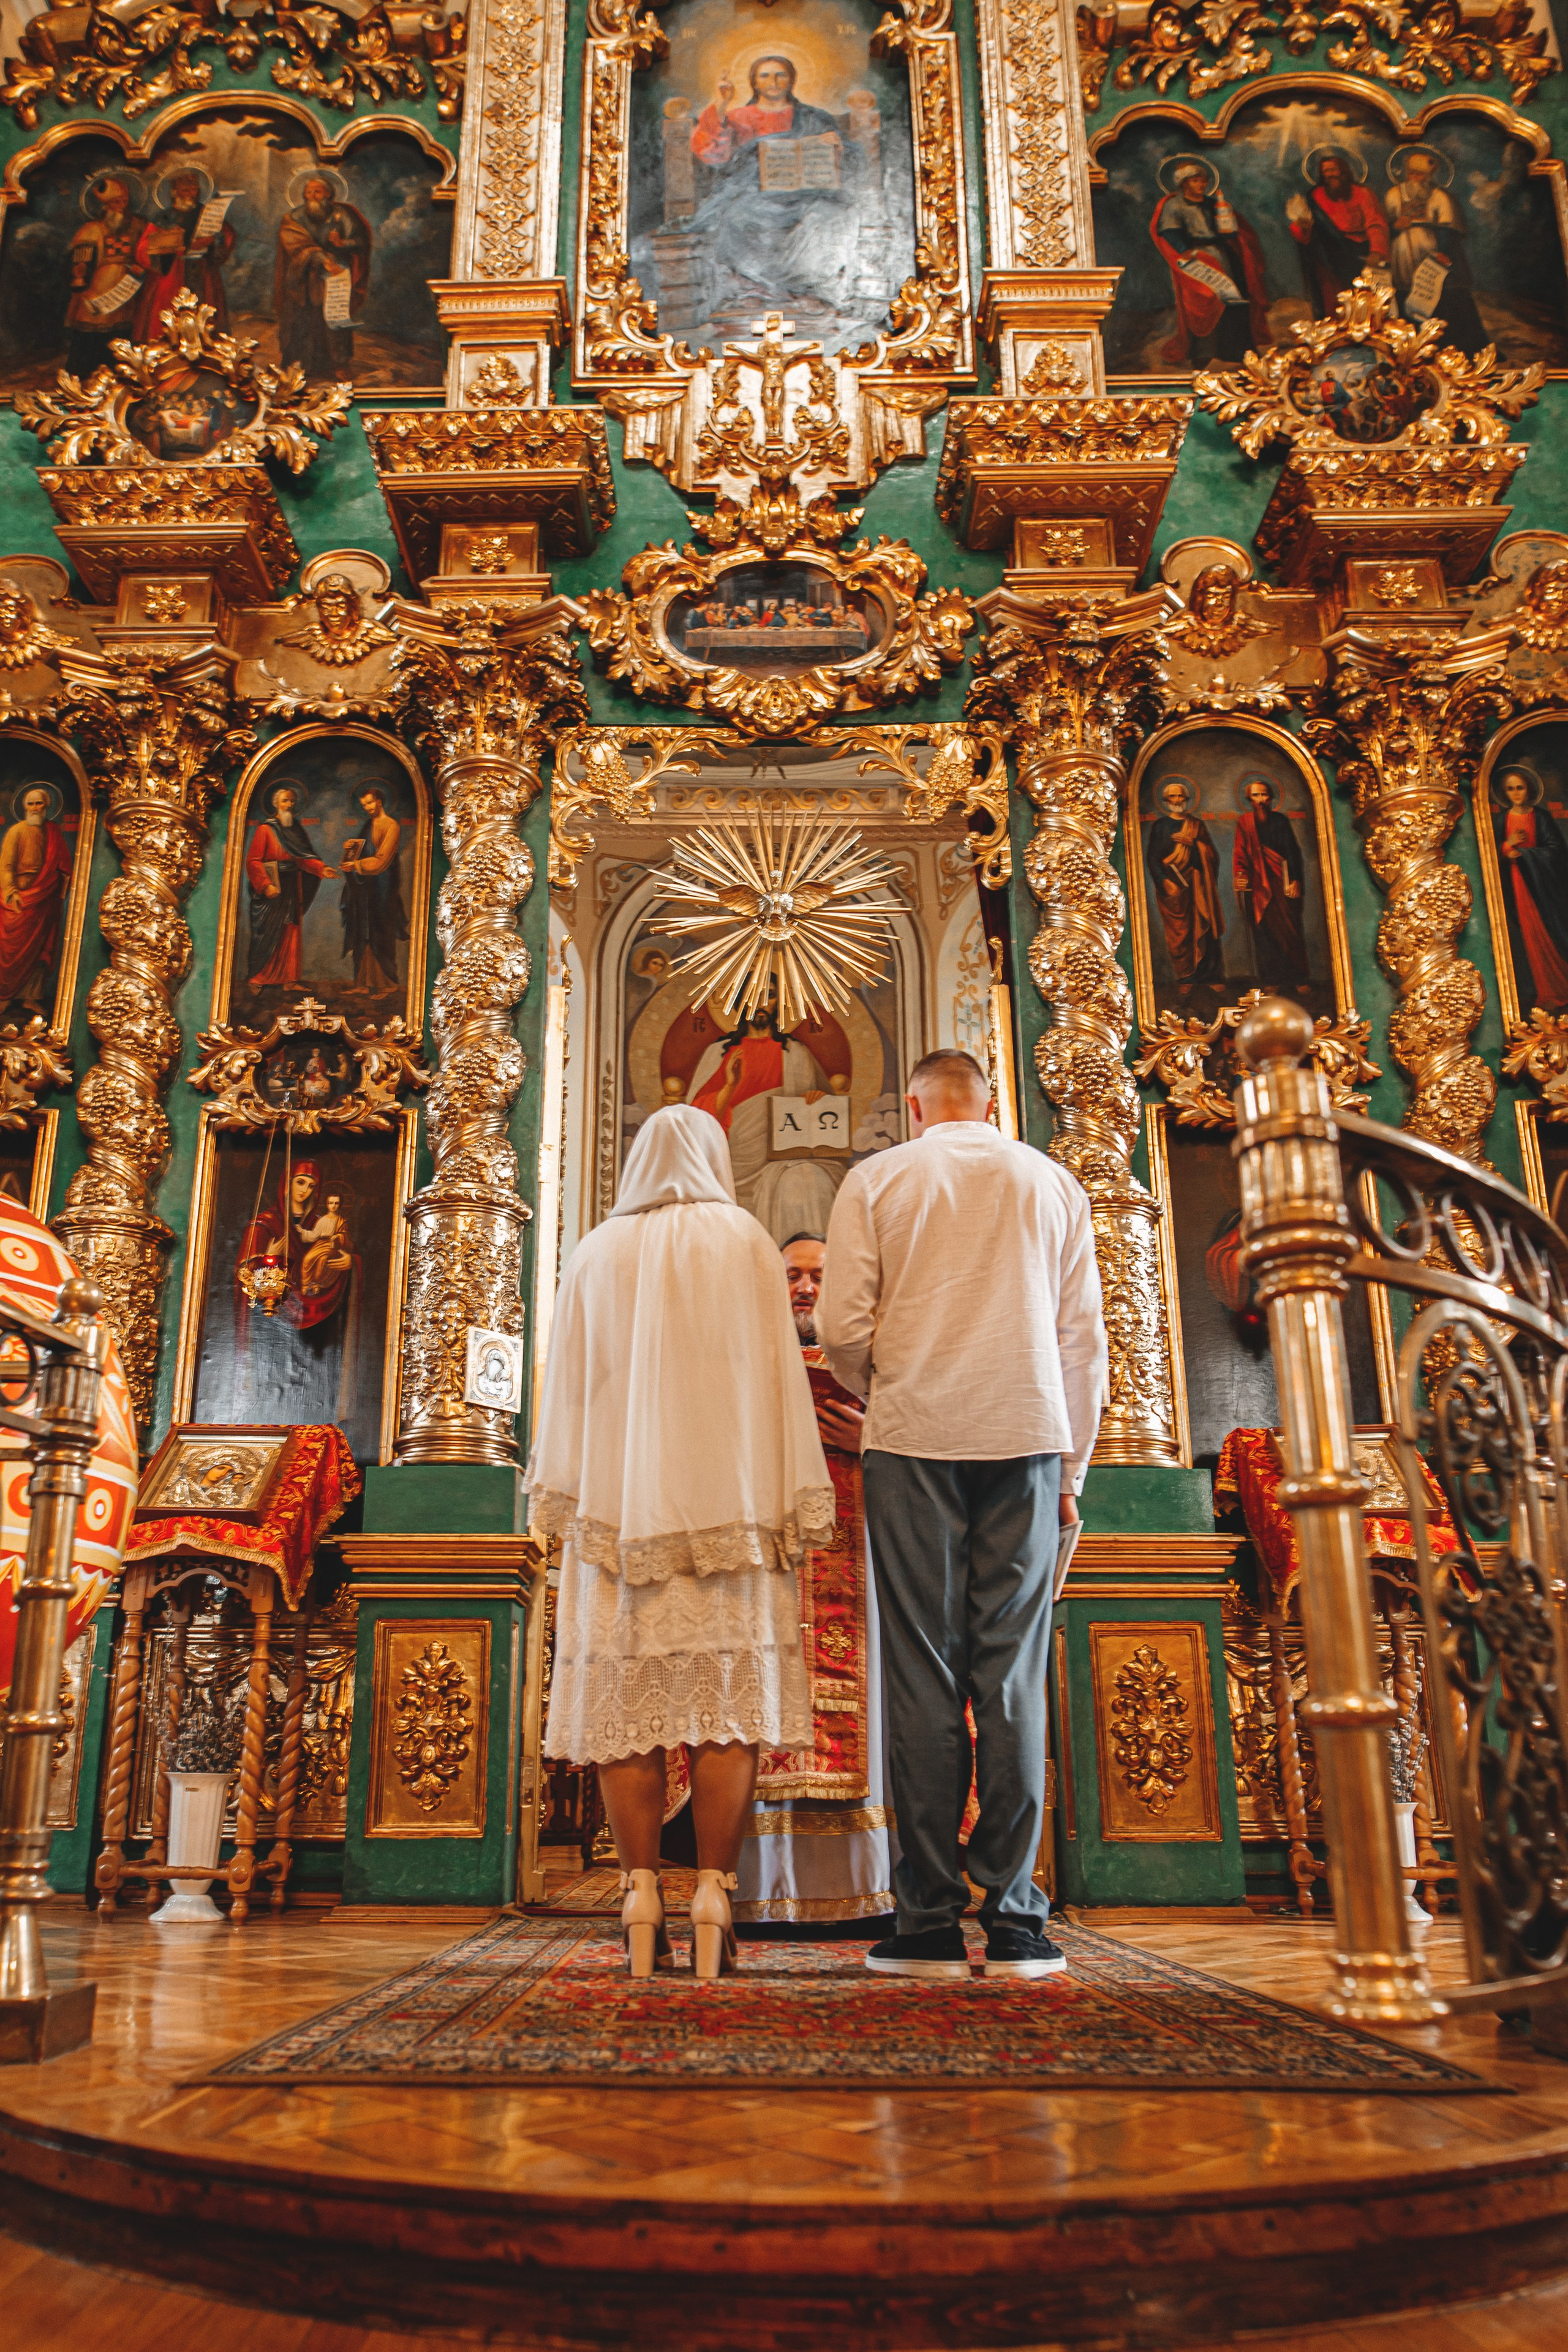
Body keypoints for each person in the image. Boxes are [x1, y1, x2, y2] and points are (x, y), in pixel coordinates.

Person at [818, 1049, 1106, 1981]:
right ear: (992, 1105)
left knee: (922, 1672)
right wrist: (1074, 1465)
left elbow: (841, 1330)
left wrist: (889, 1391)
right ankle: (1018, 1917)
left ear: (914, 1107)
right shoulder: (1052, 1182)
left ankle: (928, 1920)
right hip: (1027, 1437)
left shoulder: (880, 1177)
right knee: (1012, 1672)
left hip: (910, 1441)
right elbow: (1081, 1339)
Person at [527, 1105, 830, 1979]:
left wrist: (569, 1497)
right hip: (730, 1518)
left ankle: (638, 1897)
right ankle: (713, 1895)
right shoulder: (741, 1241)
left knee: (627, 1719)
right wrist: (791, 1501)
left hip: (617, 1523)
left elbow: (571, 1395)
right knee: (727, 1714)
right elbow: (779, 1381)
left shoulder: (593, 1252)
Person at [736, 1232, 895, 1927]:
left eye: (818, 1277)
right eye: (792, 1276)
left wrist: (873, 1438)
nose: (804, 1288)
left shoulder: (882, 1365)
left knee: (870, 1712)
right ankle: (767, 1894)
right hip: (771, 1565)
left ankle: (866, 1892)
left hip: (863, 1562)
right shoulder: (745, 1361)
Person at [689, 979, 848, 1242]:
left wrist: (817, 1100)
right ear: (740, 1001)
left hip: (785, 1157)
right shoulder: (719, 1053)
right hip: (733, 1157)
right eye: (753, 995)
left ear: (780, 1004)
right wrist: (730, 1086)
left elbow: (823, 1122)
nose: (762, 1003)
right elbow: (696, 1118)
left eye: (770, 996)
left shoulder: (796, 1053)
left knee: (808, 1179)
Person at [1150, 158, 1268, 367]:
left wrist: (1230, 230)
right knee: (1204, 301)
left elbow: (1230, 229)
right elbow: (1168, 231)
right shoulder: (1174, 205)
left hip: (1223, 255)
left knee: (1234, 298)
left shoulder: (1213, 204)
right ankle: (1204, 351)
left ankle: (1237, 349)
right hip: (1196, 257)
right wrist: (1183, 250)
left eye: (1203, 181)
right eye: (1196, 181)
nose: (1201, 185)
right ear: (1185, 183)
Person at [1385, 146, 1485, 355]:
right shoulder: (1394, 194)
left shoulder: (1440, 196)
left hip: (1432, 256)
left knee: (1436, 296)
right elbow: (1384, 228)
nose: (1416, 179)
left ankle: (1443, 345)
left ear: (1430, 176)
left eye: (1421, 175)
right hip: (1402, 254)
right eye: (1413, 173)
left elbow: (1447, 230)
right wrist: (1396, 227)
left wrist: (1444, 252)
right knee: (1405, 294)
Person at [245, 781, 339, 998]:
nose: (289, 805)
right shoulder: (265, 829)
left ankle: (289, 980)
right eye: (285, 800)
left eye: (292, 801)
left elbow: (303, 859)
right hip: (272, 886)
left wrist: (322, 869)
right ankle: (259, 977)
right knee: (268, 933)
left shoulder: (295, 830)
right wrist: (266, 884)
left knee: (291, 931)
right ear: (276, 803)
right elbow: (253, 862)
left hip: (291, 886)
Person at [274, 173, 372, 380]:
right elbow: (294, 243)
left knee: (334, 320)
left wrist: (342, 244)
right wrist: (321, 258)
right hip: (304, 276)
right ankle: (299, 364)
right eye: (308, 192)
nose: (312, 196)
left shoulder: (343, 215)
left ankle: (339, 364)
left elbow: (361, 242)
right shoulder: (293, 217)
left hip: (336, 276)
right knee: (302, 319)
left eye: (317, 191)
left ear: (328, 194)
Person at [1494, 766, 1568, 1014]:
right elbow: (1489, 855)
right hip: (1517, 886)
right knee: (1531, 937)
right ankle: (1547, 992)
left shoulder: (1542, 818)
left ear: (1529, 789)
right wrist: (1507, 847)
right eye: (1510, 789)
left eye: (1520, 787)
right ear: (1505, 793)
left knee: (1553, 932)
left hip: (1544, 886)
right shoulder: (1502, 820)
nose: (1516, 793)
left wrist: (1523, 853)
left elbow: (1557, 851)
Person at [134, 168, 235, 343]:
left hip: (203, 274)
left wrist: (214, 240)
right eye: (185, 190)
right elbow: (143, 249)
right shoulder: (164, 218)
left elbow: (226, 235)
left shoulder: (208, 213)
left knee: (207, 316)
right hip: (173, 275)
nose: (191, 194)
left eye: (194, 190)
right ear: (175, 192)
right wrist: (181, 245)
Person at [1146, 776, 1224, 995]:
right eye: (1173, 796)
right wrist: (1164, 881)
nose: (1177, 799)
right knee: (1180, 933)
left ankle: (1210, 975)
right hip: (1172, 886)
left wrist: (1196, 845)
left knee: (1204, 926)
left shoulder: (1197, 825)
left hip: (1198, 883)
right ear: (1166, 800)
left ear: (1187, 799)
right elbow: (1152, 858)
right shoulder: (1161, 826)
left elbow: (1212, 856)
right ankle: (1186, 977)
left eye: (1181, 796)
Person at [1288, 151, 1390, 318]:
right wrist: (1302, 227)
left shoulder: (1363, 194)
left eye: (1334, 170)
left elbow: (1376, 224)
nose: (1331, 175)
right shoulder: (1315, 196)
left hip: (1359, 251)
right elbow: (1303, 228)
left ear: (1344, 171)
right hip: (1327, 254)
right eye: (1326, 171)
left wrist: (1377, 252)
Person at [0, 785, 72, 1019]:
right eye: (30, 804)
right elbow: (6, 867)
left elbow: (64, 866)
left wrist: (60, 891)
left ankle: (30, 997)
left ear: (47, 806)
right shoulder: (17, 832)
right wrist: (11, 892)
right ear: (24, 807)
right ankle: (5, 996)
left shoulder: (53, 832)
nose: (34, 808)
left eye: (39, 803)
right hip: (19, 899)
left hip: (45, 900)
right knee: (10, 950)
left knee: (41, 950)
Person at [1233, 776, 1307, 991]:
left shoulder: (1280, 821)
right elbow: (1240, 852)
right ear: (1249, 799)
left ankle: (1298, 978)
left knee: (1290, 929)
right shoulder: (1245, 823)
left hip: (1281, 881)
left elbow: (1293, 852)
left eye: (1264, 795)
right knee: (1264, 931)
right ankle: (1271, 980)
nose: (1261, 800)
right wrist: (1241, 874)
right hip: (1258, 886)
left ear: (1271, 797)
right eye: (1256, 796)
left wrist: (1295, 880)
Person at [66, 175, 145, 378]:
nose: (121, 207)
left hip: (128, 288)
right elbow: (80, 260)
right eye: (116, 203)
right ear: (106, 206)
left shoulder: (138, 226)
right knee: (91, 330)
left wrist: (141, 264)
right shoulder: (91, 230)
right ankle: (83, 374)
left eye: (124, 202)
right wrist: (79, 271)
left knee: (121, 333)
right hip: (98, 286)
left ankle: (120, 375)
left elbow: (148, 250)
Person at [338, 785, 407, 997]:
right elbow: (362, 852)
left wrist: (356, 866)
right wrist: (352, 848)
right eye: (364, 805)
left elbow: (383, 859)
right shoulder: (369, 825)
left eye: (370, 803)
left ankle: (388, 983)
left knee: (379, 931)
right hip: (365, 888)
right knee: (362, 931)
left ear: (379, 801)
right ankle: (362, 982)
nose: (367, 808)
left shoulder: (391, 825)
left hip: (383, 887)